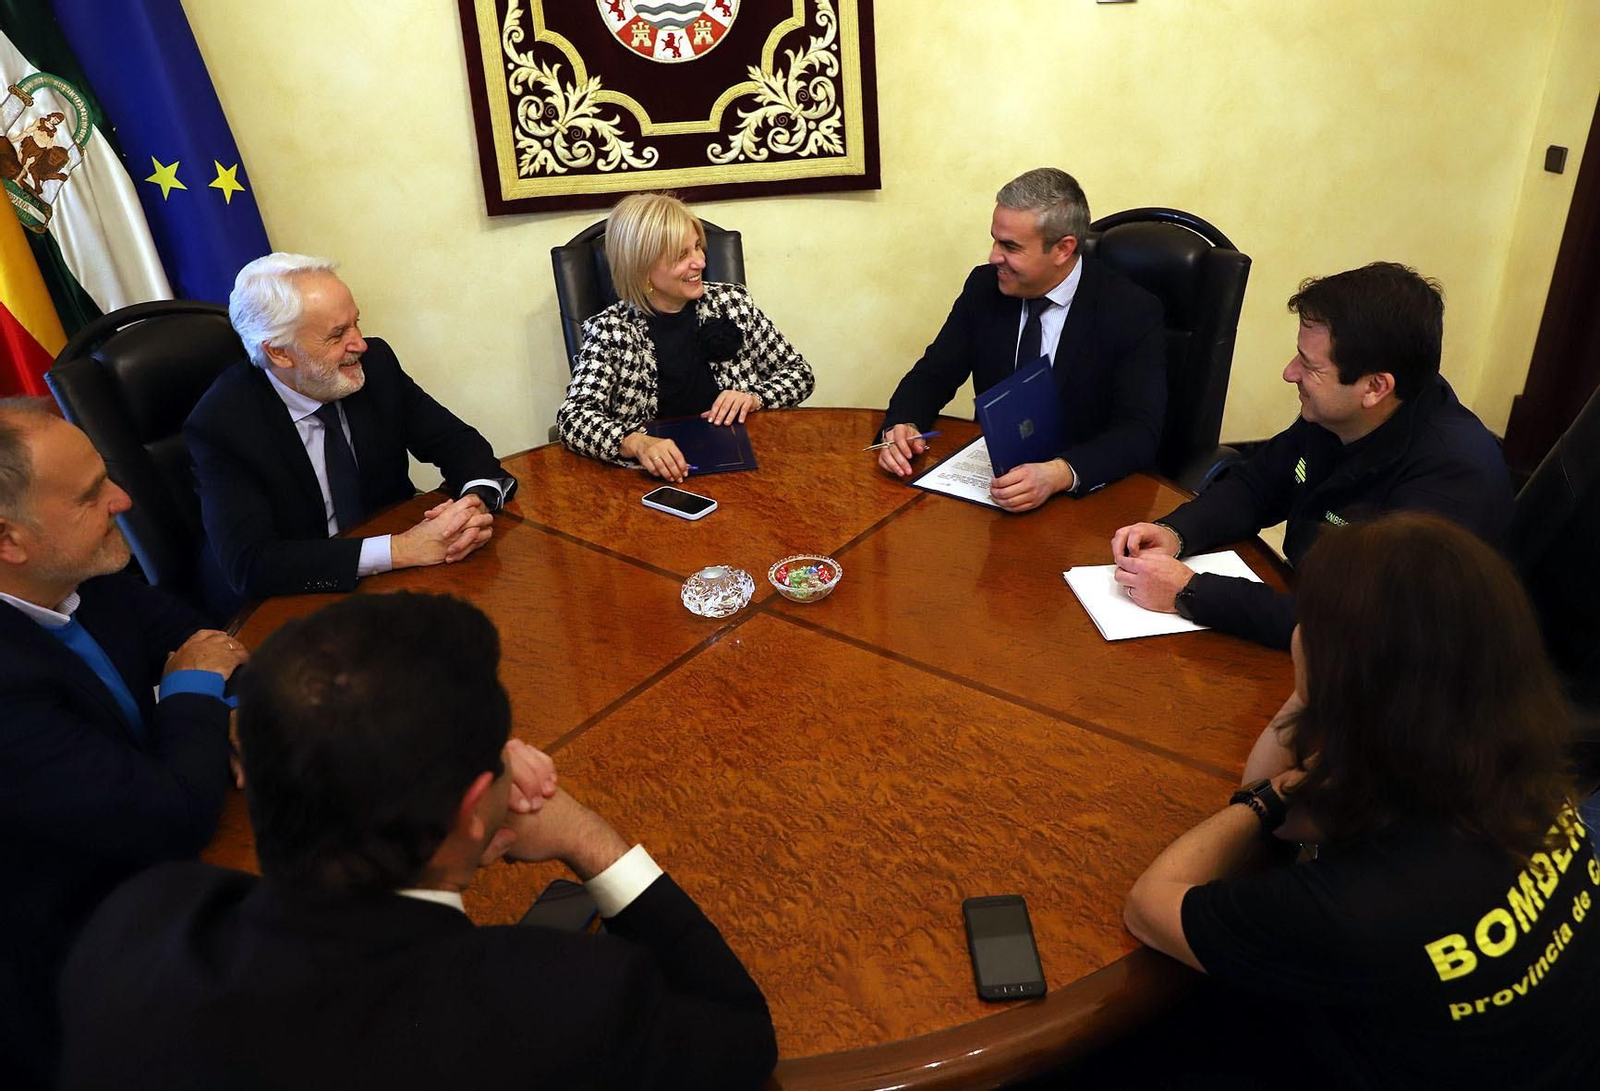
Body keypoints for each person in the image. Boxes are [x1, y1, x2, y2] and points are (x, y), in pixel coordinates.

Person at [58, 592, 779, 1090]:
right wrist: (591, 840)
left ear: (243, 764)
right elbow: (744, 1038)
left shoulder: (134, 925)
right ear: (475, 813)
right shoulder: (564, 1003)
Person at [1123, 513, 1600, 1087]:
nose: (1298, 631)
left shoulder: (1360, 908)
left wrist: (1268, 790)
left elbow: (1150, 908)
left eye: (1310, 624)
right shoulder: (1514, 764)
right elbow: (1301, 822)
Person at [0, 400, 244, 1090]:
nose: (124, 498)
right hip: (80, 961)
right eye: (89, 495)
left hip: (174, 870)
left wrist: (228, 706)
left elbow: (206, 639)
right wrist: (196, 691)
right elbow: (171, 818)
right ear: (7, 540)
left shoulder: (82, 572)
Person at [1112, 262, 1512, 649]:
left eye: (1309, 365)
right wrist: (1174, 533)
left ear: (1375, 387)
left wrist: (1191, 592)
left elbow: (1363, 631)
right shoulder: (1338, 414)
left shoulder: (1454, 478)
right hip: (1308, 608)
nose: (1289, 373)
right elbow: (1256, 486)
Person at [186, 253, 516, 605]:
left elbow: (457, 442)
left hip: (396, 584)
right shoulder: (222, 423)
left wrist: (472, 505)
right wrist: (403, 549)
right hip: (292, 599)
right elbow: (251, 565)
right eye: (337, 334)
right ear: (279, 353)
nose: (359, 343)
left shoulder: (375, 365)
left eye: (356, 322)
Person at [877, 167, 1166, 510]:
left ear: (1062, 249)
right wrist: (902, 424)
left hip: (1086, 500)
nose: (993, 256)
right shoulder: (984, 287)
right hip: (997, 486)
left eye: (1010, 246)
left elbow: (1138, 431)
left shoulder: (1130, 310)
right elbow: (934, 373)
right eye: (995, 239)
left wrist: (1059, 474)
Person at [556, 193, 814, 481]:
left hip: (743, 468)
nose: (700, 262)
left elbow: (800, 374)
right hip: (654, 481)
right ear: (643, 273)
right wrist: (636, 443)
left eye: (697, 247)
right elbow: (572, 419)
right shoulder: (611, 331)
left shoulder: (731, 303)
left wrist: (755, 398)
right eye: (683, 255)